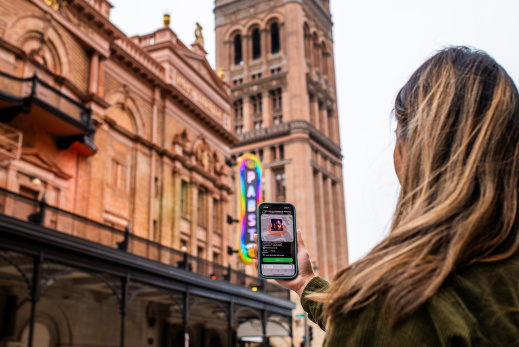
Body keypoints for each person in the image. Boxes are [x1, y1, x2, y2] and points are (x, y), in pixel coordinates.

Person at [253, 46, 519, 346]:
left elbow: (375, 325)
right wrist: (305, 283)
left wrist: (360, 303)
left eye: (397, 135)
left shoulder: (392, 302)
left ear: (415, 148)